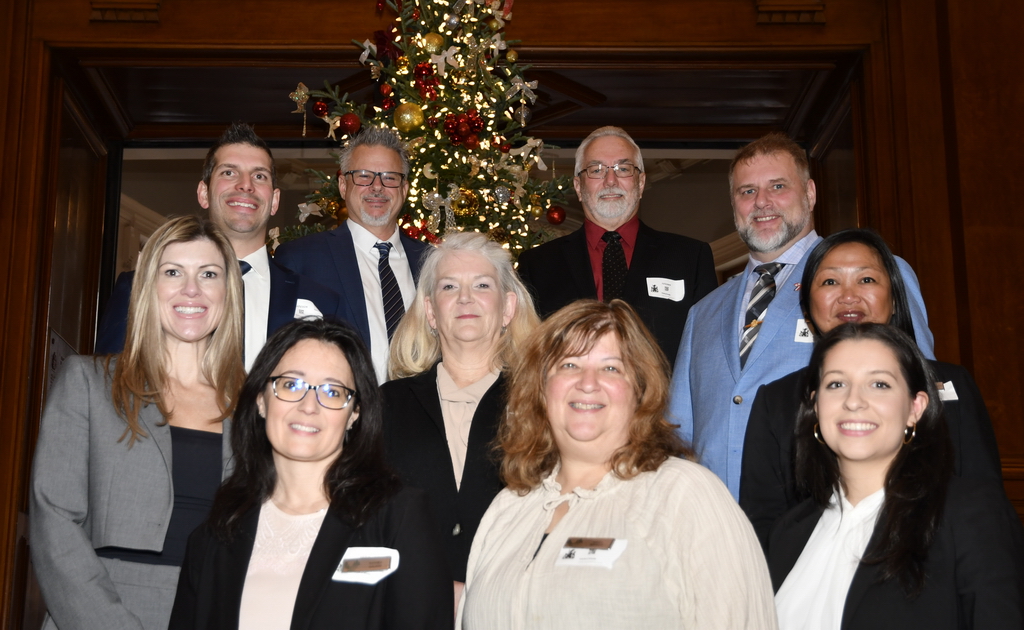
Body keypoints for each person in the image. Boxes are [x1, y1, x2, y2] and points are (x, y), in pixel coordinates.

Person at [458, 300, 777, 630]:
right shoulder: (508, 507)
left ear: (639, 390)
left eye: (611, 368)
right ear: (541, 388)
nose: (587, 382)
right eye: (569, 365)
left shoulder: (686, 495)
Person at [668, 131, 935, 498]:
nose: (762, 202)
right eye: (747, 192)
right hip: (717, 525)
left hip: (825, 510)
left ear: (810, 194)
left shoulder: (873, 276)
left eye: (778, 186)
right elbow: (679, 432)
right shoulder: (703, 312)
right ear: (733, 205)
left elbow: (923, 391)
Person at [30, 216, 245, 629]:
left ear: (228, 291)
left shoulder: (256, 405)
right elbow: (54, 519)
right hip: (101, 606)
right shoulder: (87, 383)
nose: (191, 290)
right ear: (149, 286)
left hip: (216, 608)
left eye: (209, 274)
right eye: (172, 272)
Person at [170, 318, 452, 629]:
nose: (309, 405)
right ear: (261, 400)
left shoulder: (398, 519)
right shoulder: (215, 536)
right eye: (291, 385)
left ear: (354, 414)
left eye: (332, 392)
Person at [740, 229, 1002, 549]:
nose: (848, 296)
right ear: (808, 309)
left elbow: (988, 511)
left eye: (866, 280)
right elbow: (762, 521)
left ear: (894, 299)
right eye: (830, 282)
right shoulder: (776, 400)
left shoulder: (951, 385)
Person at [768, 323, 1024, 630]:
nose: (853, 401)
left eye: (879, 384)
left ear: (915, 408)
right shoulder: (789, 531)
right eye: (836, 384)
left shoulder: (968, 513)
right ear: (815, 405)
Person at [95, 122, 343, 371]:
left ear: (275, 200)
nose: (246, 185)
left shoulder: (320, 300)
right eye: (229, 173)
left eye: (259, 176)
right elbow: (109, 386)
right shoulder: (140, 287)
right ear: (204, 193)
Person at [381, 231, 539, 607]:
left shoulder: (542, 405)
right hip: (405, 607)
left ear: (508, 308)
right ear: (431, 311)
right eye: (449, 286)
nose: (465, 297)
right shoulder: (384, 404)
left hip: (512, 608)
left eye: (482, 285)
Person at [516, 126, 718, 364]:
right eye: (596, 170)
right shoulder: (537, 266)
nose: (610, 180)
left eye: (623, 169)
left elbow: (709, 353)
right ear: (579, 187)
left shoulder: (690, 258)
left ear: (640, 183)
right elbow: (526, 356)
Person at [275, 127, 428, 383]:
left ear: (404, 188)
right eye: (364, 176)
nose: (377, 187)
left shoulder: (432, 262)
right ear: (343, 185)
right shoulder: (300, 260)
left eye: (389, 177)